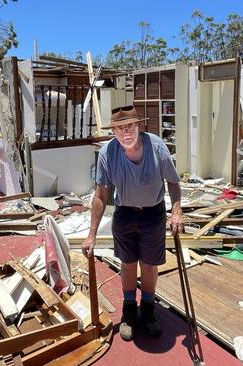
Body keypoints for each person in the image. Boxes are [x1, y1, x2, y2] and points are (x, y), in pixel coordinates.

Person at [82, 105, 184, 341]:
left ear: (139, 126)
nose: (125, 132)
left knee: (149, 265)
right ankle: (129, 309)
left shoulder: (156, 146)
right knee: (127, 264)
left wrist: (176, 212)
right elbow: (100, 195)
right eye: (119, 128)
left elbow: (174, 182)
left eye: (130, 126)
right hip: (125, 214)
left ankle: (147, 309)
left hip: (153, 214)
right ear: (114, 131)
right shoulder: (108, 153)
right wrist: (91, 234)